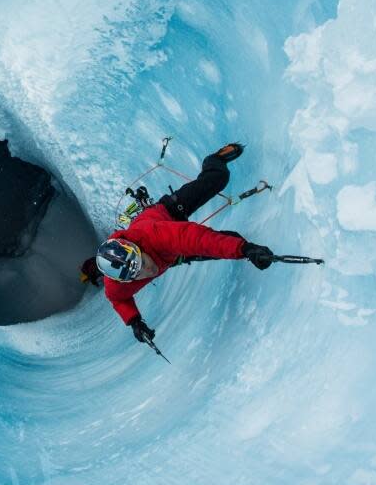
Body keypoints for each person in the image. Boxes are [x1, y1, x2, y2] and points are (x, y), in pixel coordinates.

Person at [80, 143, 274, 345]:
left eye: (142, 262)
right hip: (171, 257)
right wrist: (134, 321)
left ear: (138, 249)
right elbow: (118, 299)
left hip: (169, 212)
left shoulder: (158, 236)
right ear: (125, 280)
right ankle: (239, 243)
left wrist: (245, 249)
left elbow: (200, 240)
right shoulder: (117, 284)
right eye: (137, 274)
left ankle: (214, 160)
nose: (147, 270)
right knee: (231, 236)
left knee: (218, 179)